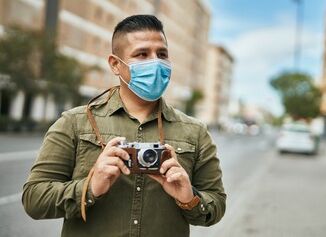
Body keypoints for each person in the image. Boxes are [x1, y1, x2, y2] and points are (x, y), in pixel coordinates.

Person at [22, 14, 226, 237]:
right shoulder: (74, 123)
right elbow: (34, 199)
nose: (156, 62)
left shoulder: (195, 132)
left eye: (162, 54)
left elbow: (216, 206)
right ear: (115, 65)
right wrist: (90, 188)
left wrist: (189, 197)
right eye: (142, 54)